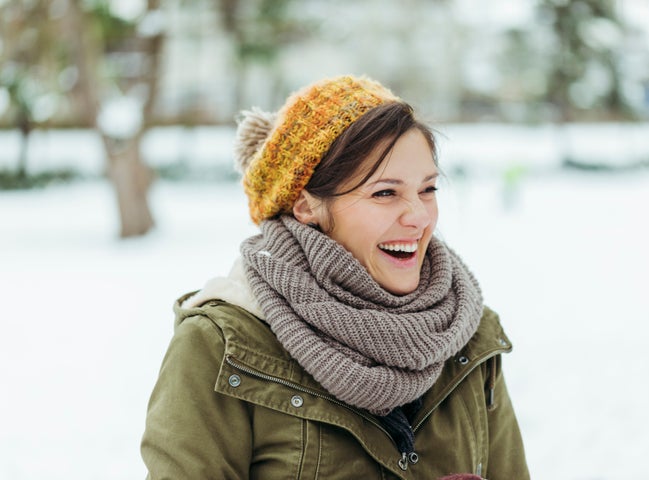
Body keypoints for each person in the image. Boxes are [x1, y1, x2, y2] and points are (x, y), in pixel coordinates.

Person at [141, 75, 529, 479]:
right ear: (306, 206)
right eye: (384, 193)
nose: (418, 216)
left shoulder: (468, 332)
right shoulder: (221, 347)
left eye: (427, 189)